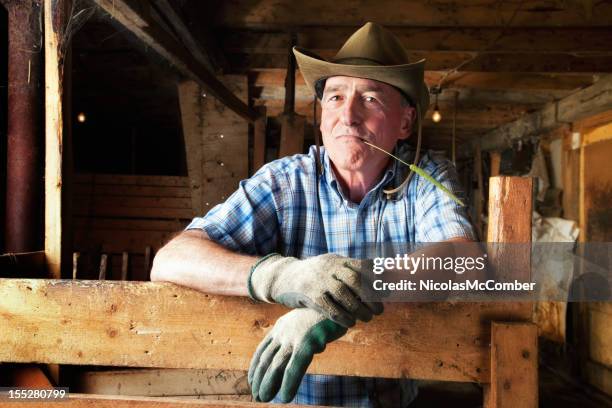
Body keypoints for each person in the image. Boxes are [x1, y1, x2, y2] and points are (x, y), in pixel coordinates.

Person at [151, 22, 476, 406]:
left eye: (370, 99)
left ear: (405, 122)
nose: (349, 116)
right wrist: (281, 275)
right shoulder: (284, 181)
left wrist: (339, 298)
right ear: (322, 115)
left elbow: (463, 260)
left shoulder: (426, 176)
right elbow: (170, 261)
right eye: (336, 97)